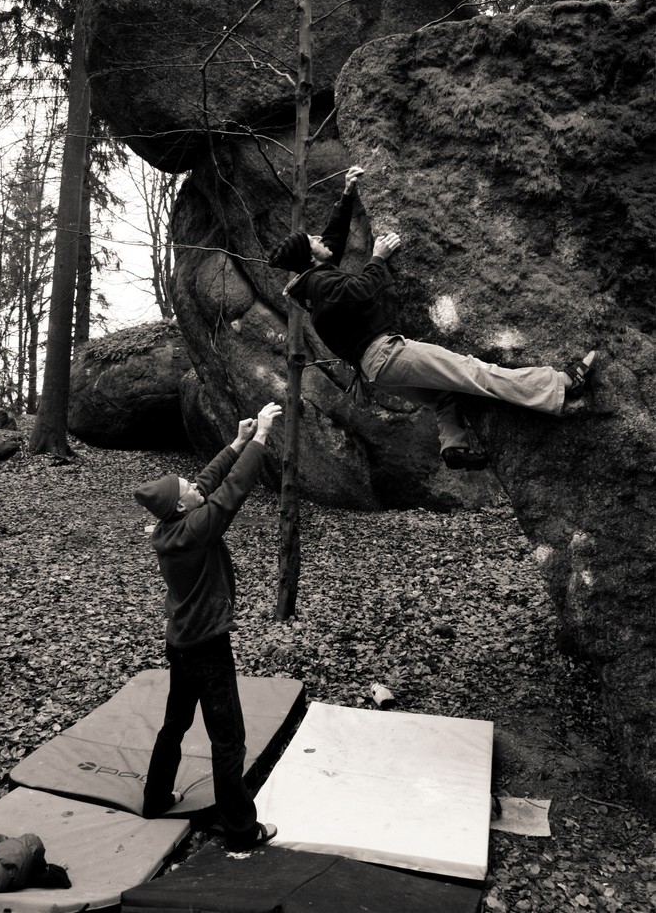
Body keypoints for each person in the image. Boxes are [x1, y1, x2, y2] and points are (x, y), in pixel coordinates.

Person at [268, 166, 595, 470]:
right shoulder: (325, 284)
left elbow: (331, 244)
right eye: (313, 240)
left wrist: (347, 194)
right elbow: (363, 288)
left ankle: (453, 447)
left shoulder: (312, 287)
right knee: (472, 372)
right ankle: (560, 384)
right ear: (310, 257)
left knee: (443, 396)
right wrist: (378, 258)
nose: (321, 239)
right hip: (388, 354)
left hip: (376, 373)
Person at [133, 401, 282, 850]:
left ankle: (156, 799)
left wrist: (236, 441)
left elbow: (207, 483)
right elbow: (231, 491)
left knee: (175, 724)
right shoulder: (196, 529)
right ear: (182, 505)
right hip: (205, 648)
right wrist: (258, 442)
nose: (194, 484)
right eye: (186, 486)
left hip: (179, 642)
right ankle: (240, 830)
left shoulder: (172, 526)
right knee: (228, 737)